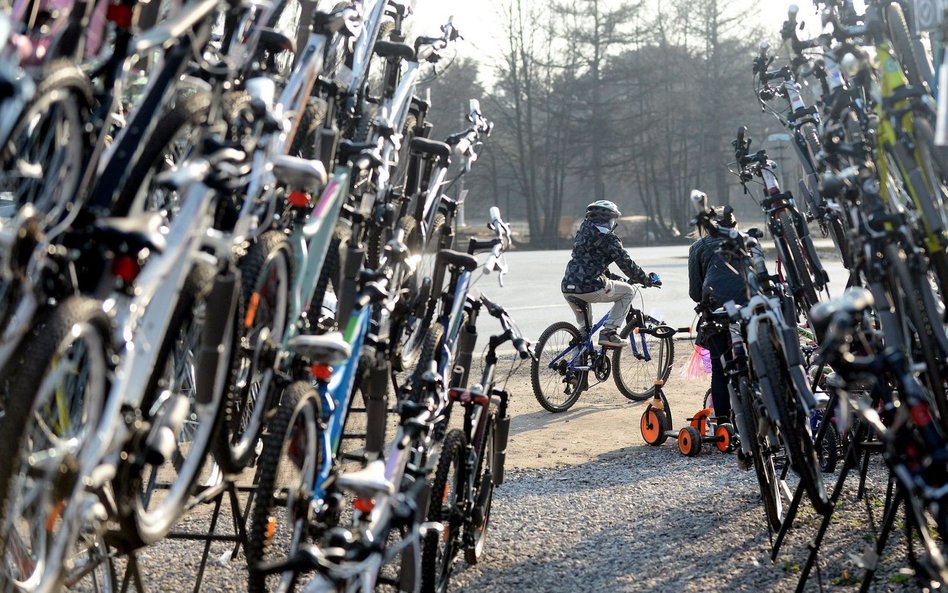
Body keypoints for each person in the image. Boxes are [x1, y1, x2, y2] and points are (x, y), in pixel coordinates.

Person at [561, 200, 660, 348]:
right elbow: (627, 264)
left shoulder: (583, 233)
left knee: (584, 331)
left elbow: (591, 263)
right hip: (590, 288)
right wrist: (645, 279)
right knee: (628, 291)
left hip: (568, 287)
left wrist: (615, 278)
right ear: (607, 220)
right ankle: (609, 332)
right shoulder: (609, 238)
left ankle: (575, 368)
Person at [687, 203, 747, 423]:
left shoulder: (698, 247)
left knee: (722, 370)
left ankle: (724, 423)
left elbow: (695, 293)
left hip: (716, 313)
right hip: (748, 310)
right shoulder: (745, 239)